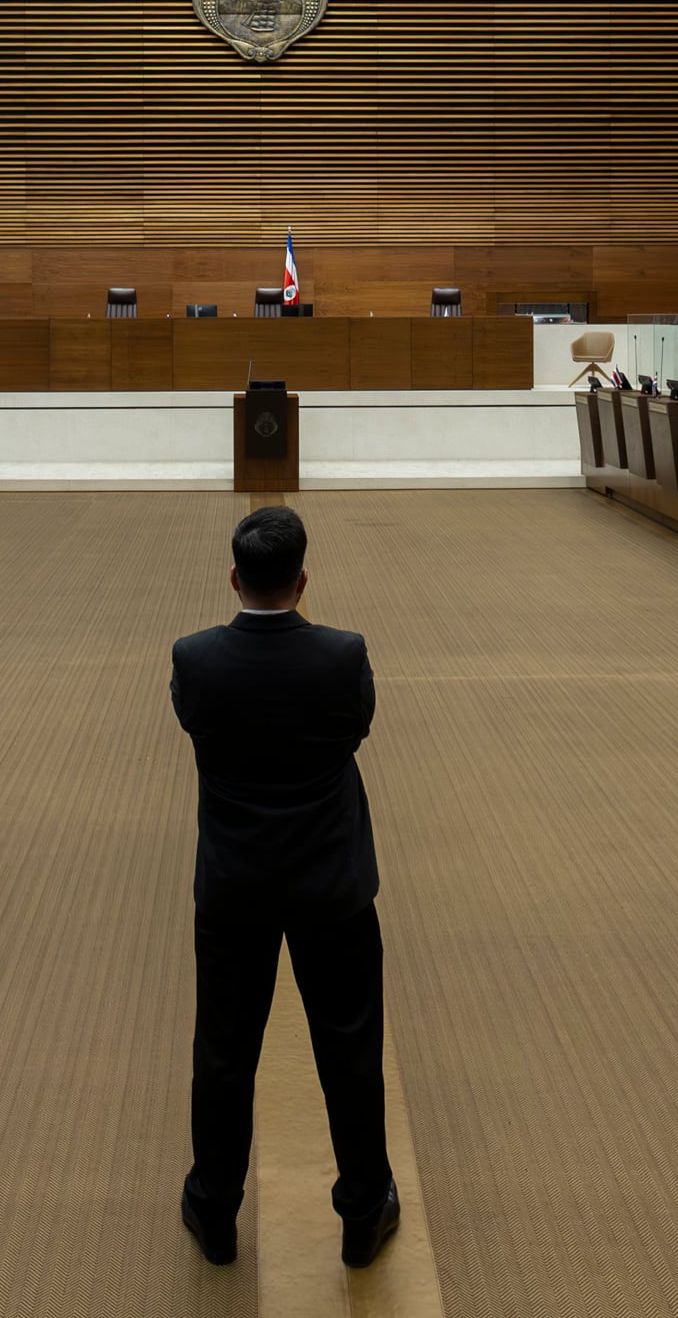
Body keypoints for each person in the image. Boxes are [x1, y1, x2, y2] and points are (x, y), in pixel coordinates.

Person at [169, 504, 398, 1270]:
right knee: (351, 1052)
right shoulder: (342, 657)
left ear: (234, 577)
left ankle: (215, 1210)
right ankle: (364, 1212)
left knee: (225, 1054)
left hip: (233, 890)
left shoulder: (195, 660)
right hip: (332, 887)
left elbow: (195, 722)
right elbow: (355, 726)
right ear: (303, 582)